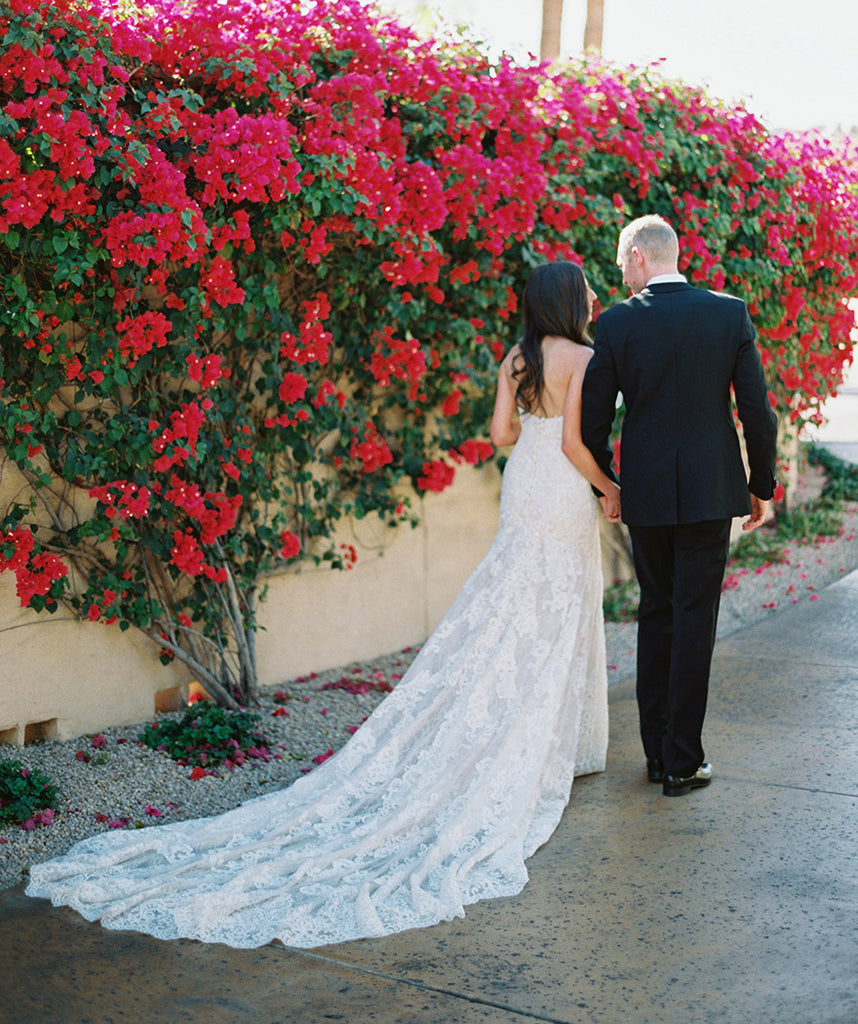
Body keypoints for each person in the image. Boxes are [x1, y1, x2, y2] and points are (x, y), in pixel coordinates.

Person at [27, 261, 616, 950]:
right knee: (557, 606)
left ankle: (512, 725)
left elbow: (503, 436)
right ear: (571, 301)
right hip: (564, 491)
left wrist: (535, 421)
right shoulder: (586, 356)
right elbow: (577, 444)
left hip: (525, 489)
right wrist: (611, 487)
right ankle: (560, 743)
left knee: (509, 603)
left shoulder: (517, 357)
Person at [580, 214, 778, 798]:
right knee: (696, 618)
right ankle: (683, 762)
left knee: (657, 612)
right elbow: (757, 412)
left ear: (640, 256)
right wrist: (760, 486)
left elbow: (593, 425)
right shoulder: (728, 312)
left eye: (621, 263)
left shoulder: (615, 325)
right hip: (712, 490)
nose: (619, 275)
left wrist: (608, 486)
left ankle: (656, 755)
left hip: (646, 496)